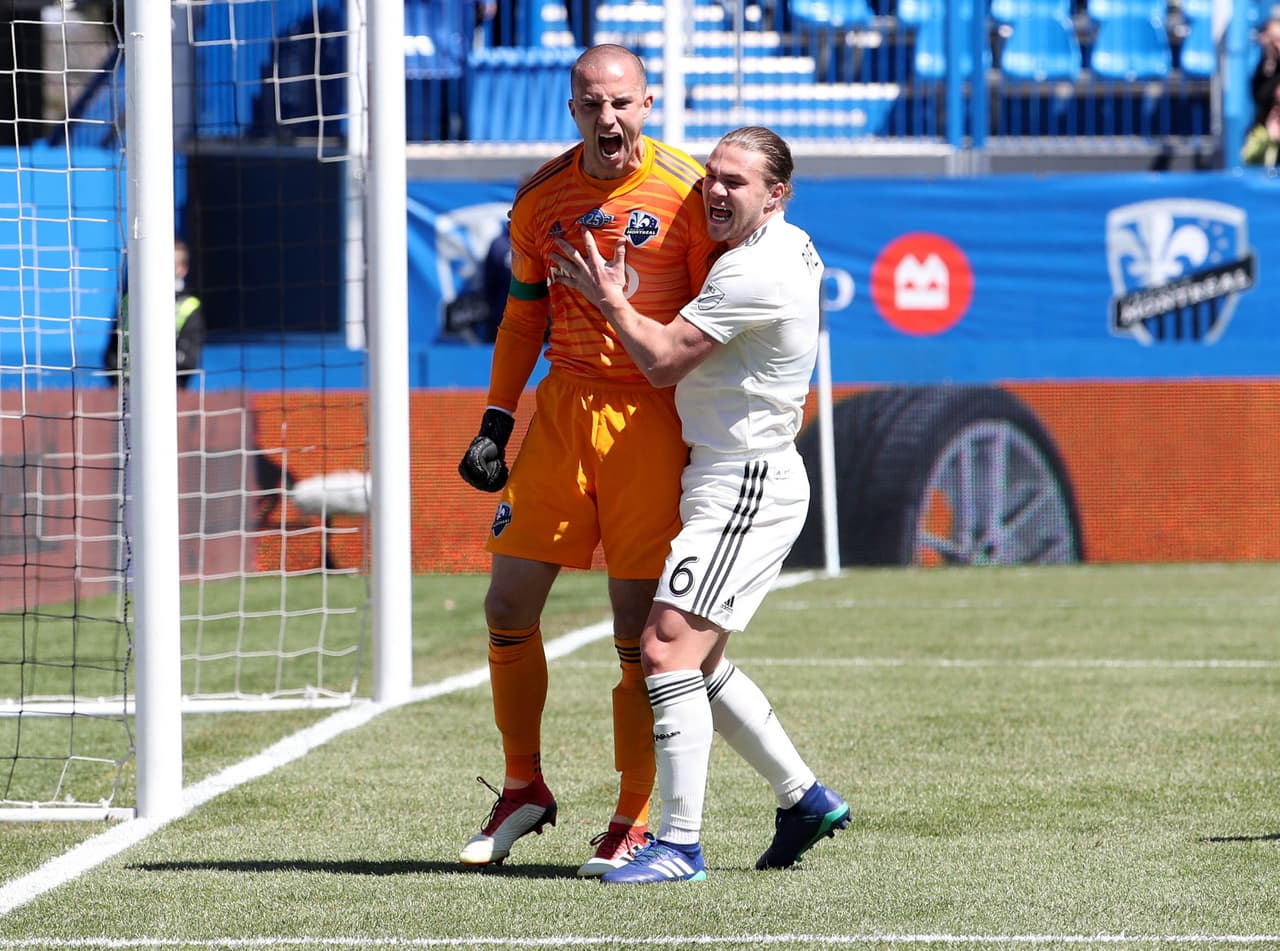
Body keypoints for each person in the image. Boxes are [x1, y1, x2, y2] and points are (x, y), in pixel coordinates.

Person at [548, 125, 850, 885]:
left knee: (663, 648)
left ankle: (679, 845)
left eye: (734, 182)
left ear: (776, 195)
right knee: (701, 660)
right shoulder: (784, 243)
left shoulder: (753, 269)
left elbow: (660, 361)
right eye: (710, 174)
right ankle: (804, 798)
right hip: (729, 473)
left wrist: (609, 298)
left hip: (744, 481)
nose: (712, 190)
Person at [455, 44, 720, 877]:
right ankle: (522, 785)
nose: (607, 118)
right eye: (590, 104)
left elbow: (710, 320)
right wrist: (497, 418)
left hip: (651, 418)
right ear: (571, 109)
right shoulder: (541, 197)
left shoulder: (687, 193)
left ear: (647, 103)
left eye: (621, 102)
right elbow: (521, 315)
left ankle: (633, 811)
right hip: (564, 410)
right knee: (507, 603)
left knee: (635, 630)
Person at [104, 236, 206, 390]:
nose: (159, 268)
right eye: (156, 262)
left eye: (168, 264)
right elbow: (112, 353)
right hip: (127, 389)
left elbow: (188, 360)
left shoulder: (189, 306)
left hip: (171, 389)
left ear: (182, 269)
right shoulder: (129, 301)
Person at [1243, 79, 1280, 169]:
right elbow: (1248, 158)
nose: (1277, 109)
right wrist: (1270, 139)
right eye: (1276, 103)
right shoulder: (1260, 133)